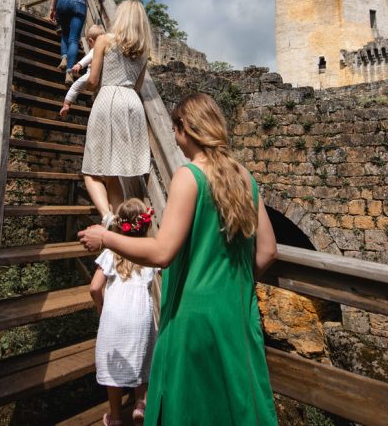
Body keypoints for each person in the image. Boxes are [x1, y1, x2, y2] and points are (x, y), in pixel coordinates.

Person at [78, 92, 278, 426]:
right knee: (235, 408)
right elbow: (269, 250)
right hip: (237, 312)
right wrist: (231, 285)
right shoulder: (245, 177)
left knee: (191, 410)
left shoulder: (189, 177)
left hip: (193, 316)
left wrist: (106, 238)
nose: (174, 137)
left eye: (175, 129)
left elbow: (162, 252)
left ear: (185, 127)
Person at [81, 0, 152, 226]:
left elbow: (93, 82)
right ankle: (122, 220)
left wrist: (80, 85)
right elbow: (138, 86)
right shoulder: (143, 52)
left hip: (108, 99)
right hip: (131, 102)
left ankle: (107, 216)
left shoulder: (103, 40)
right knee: (114, 171)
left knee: (92, 170)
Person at [90, 197, 159, 426]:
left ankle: (116, 417)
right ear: (146, 224)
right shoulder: (149, 255)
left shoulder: (110, 253)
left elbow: (94, 287)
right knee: (142, 355)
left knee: (114, 365)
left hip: (114, 315)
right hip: (140, 314)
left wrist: (100, 307)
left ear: (119, 225)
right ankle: (140, 404)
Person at [49, 0, 105, 85]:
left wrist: (52, 7)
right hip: (79, 2)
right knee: (74, 38)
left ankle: (64, 57)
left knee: (65, 33)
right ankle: (69, 72)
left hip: (63, 0)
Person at [59, 24, 105, 115]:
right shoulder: (106, 50)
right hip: (103, 77)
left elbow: (88, 58)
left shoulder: (96, 49)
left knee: (75, 87)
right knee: (97, 94)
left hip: (91, 75)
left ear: (91, 41)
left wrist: (79, 65)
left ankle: (66, 104)